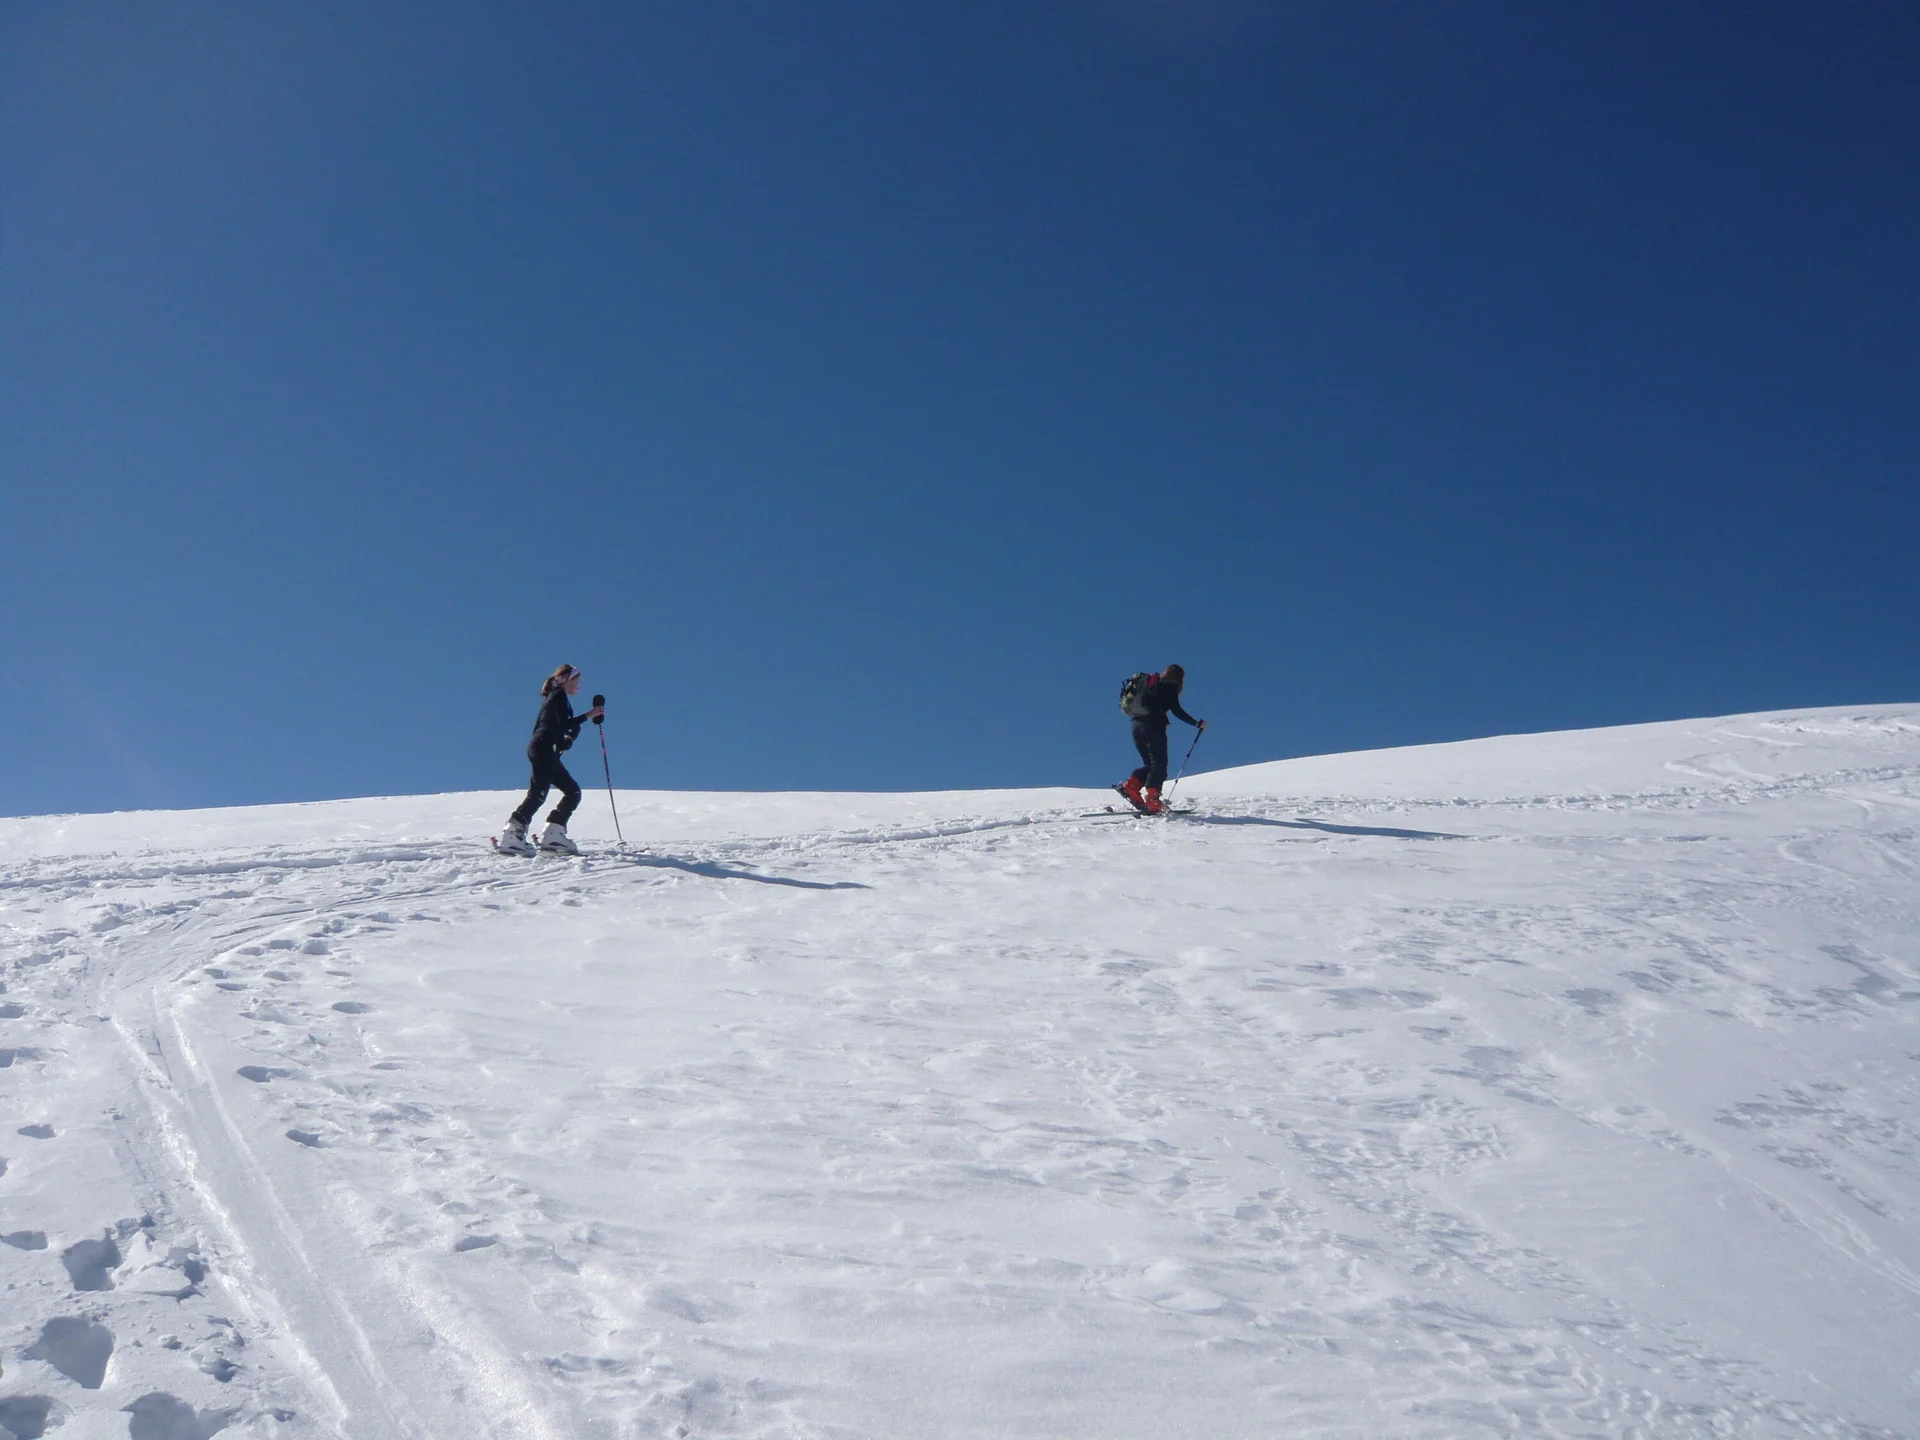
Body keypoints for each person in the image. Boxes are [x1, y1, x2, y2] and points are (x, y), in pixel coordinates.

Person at [498, 664, 603, 855]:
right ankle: (516, 835)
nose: (578, 687)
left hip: (543, 748)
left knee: (570, 792)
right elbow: (560, 725)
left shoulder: (554, 698)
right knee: (541, 794)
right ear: (566, 680)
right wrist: (587, 716)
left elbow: (551, 727)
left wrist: (566, 738)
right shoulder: (558, 696)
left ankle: (551, 834)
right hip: (544, 748)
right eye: (576, 682)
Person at [1118, 663, 1205, 814]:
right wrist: (1196, 723)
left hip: (1136, 726)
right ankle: (1153, 799)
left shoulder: (1152, 684)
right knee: (1159, 764)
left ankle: (1131, 786)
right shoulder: (1169, 687)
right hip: (1153, 726)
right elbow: (1177, 711)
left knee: (1150, 765)